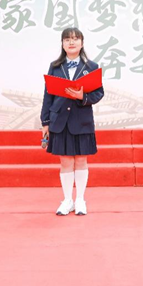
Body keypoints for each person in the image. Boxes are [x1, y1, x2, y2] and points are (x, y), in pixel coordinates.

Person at [40, 28, 104, 216]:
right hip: (59, 120)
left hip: (81, 119)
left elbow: (99, 93)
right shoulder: (55, 66)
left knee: (81, 160)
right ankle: (67, 200)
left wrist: (82, 96)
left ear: (82, 43)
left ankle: (80, 200)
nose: (71, 42)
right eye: (67, 39)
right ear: (62, 44)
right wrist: (45, 121)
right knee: (65, 161)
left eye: (75, 39)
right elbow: (47, 95)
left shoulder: (91, 66)